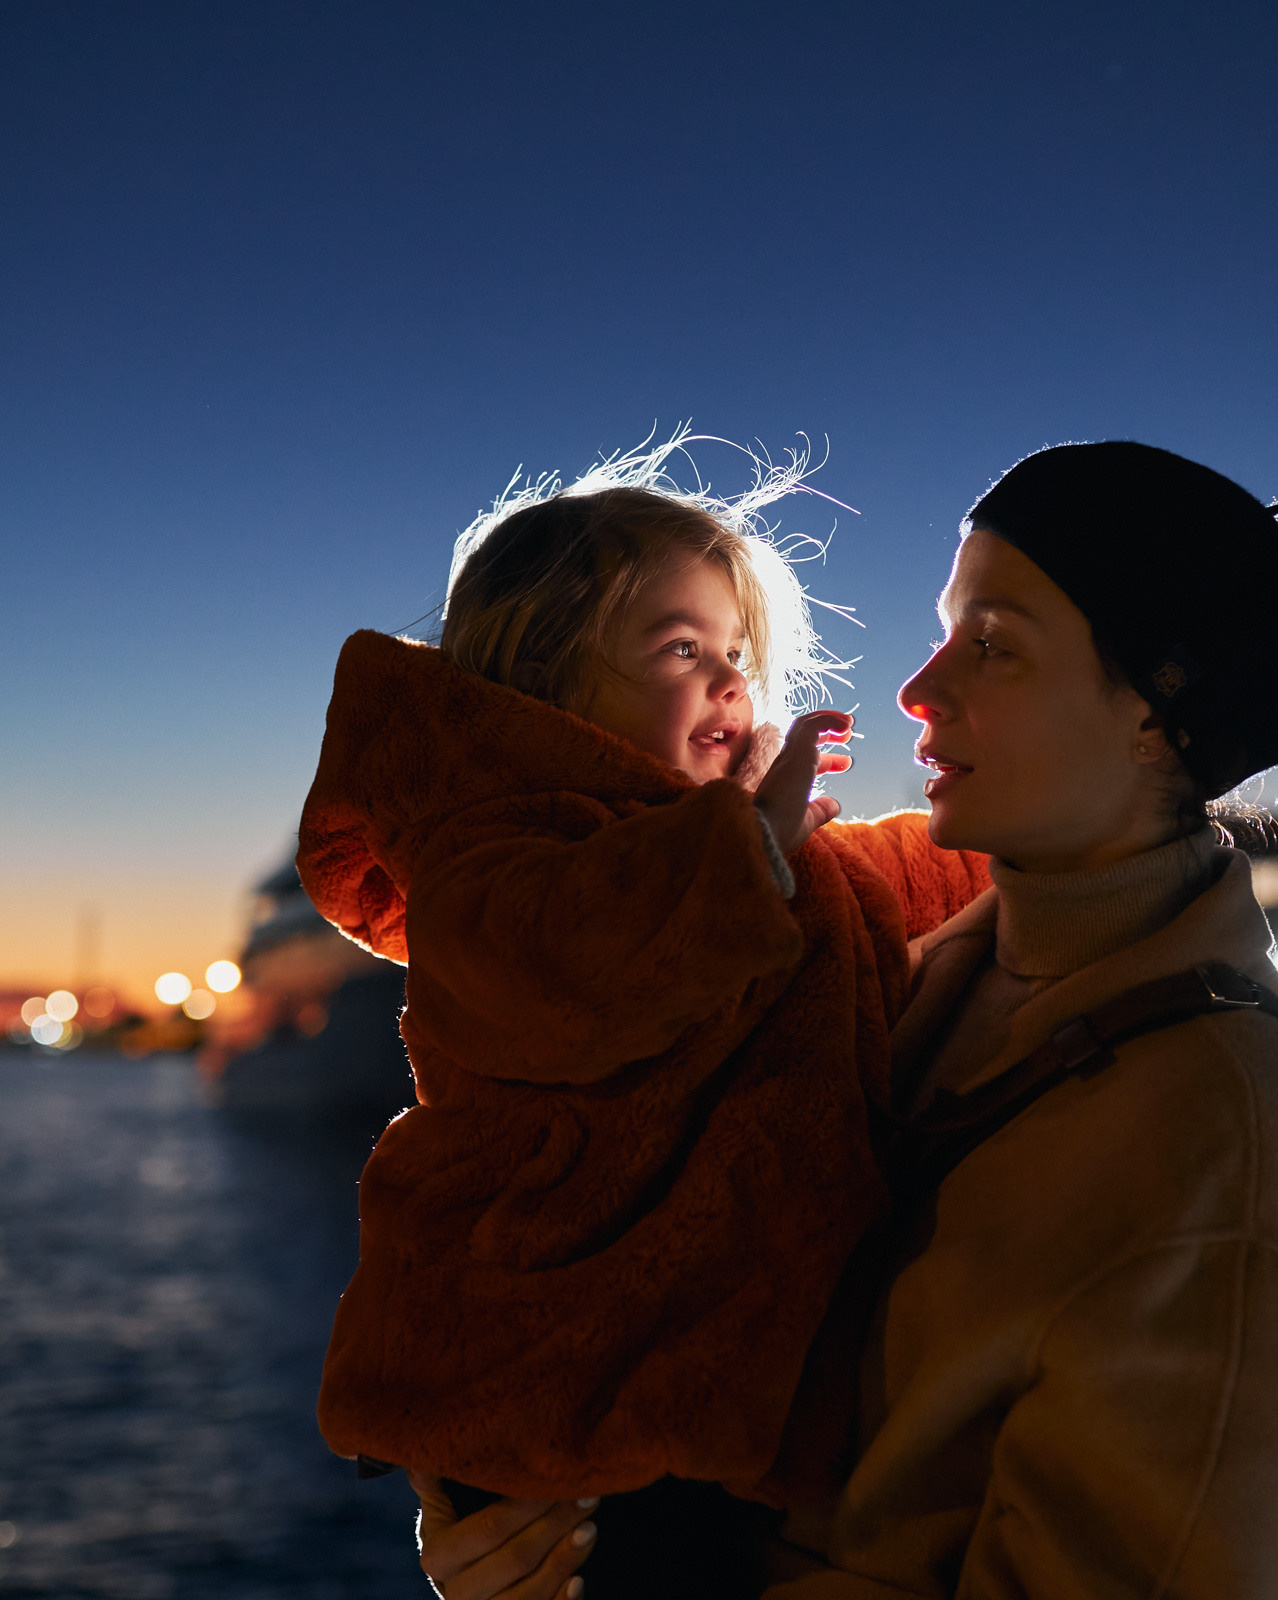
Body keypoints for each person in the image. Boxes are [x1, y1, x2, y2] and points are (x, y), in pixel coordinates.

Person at [414, 441, 1278, 1600]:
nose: (919, 685)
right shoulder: (899, 977)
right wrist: (530, 1542)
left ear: (1155, 713)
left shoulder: (1218, 1126)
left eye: (994, 643)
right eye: (944, 625)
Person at [298, 437, 989, 1594]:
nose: (730, 679)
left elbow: (870, 888)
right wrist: (752, 848)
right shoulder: (503, 858)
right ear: (550, 684)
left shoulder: (728, 861)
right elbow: (567, 962)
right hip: (556, 1377)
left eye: (738, 653)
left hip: (663, 1387)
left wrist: (1000, 844)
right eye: (682, 647)